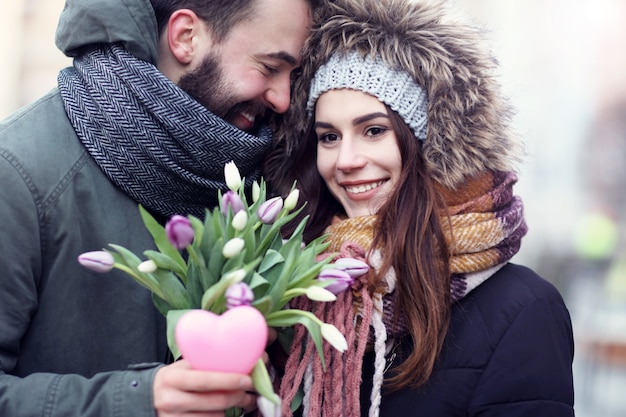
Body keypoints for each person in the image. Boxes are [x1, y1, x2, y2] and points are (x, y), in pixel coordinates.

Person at [0, 0, 320, 415]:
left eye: (292, 75)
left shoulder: (257, 179)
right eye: (269, 67)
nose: (282, 99)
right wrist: (138, 400)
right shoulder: (20, 172)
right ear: (186, 36)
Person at [268, 0, 575, 415]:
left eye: (373, 130)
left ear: (428, 146)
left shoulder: (523, 309)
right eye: (328, 137)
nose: (345, 160)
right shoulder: (296, 295)